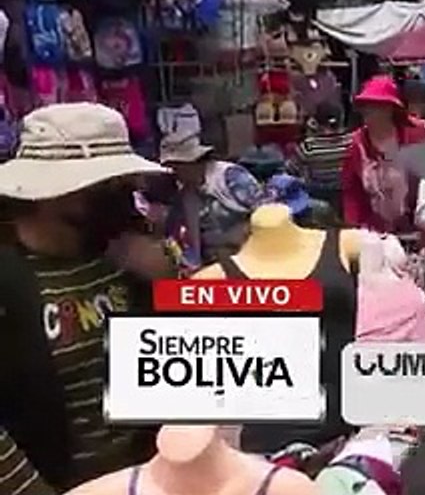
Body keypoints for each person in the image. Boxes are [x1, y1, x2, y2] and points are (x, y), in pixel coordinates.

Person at [0, 103, 174, 495]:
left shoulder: (123, 254)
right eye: (104, 183)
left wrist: (167, 286)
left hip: (144, 479)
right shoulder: (9, 274)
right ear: (54, 192)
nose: (121, 192)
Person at [341, 75, 425, 234]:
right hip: (374, 233)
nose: (367, 111)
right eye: (364, 105)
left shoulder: (418, 134)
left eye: (374, 105)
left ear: (390, 108)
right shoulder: (356, 145)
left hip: (419, 228)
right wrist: (355, 230)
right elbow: (352, 192)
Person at [159, 132, 264, 268]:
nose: (174, 173)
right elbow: (171, 232)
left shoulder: (231, 177)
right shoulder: (185, 196)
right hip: (214, 262)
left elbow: (265, 212)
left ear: (190, 162)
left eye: (175, 167)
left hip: (250, 252)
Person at [293, 102, 351, 211]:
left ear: (316, 122)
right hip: (345, 196)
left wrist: (310, 132)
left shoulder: (308, 146)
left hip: (316, 198)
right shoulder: (352, 142)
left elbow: (292, 170)